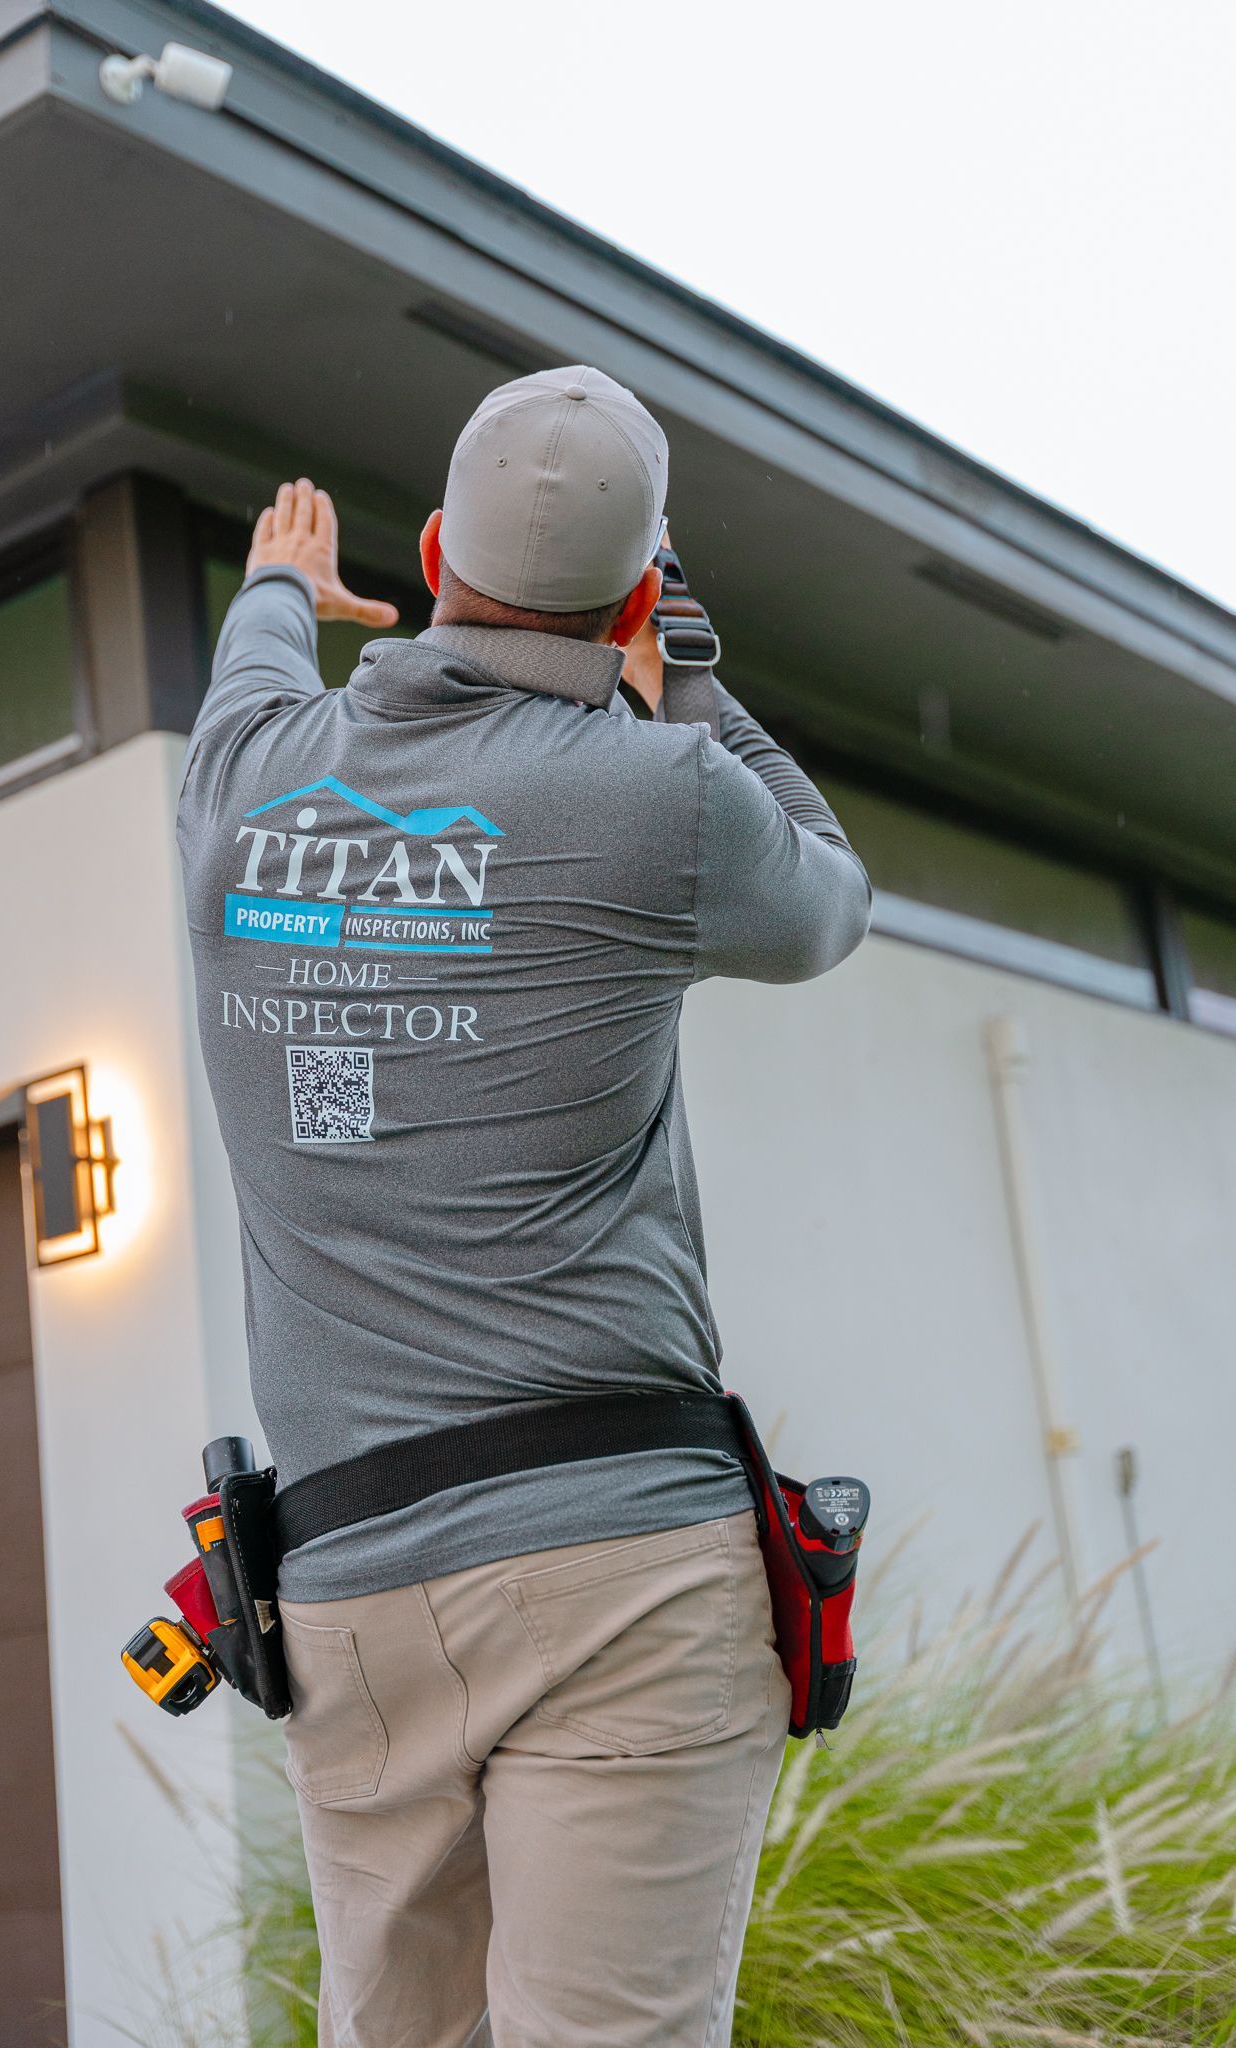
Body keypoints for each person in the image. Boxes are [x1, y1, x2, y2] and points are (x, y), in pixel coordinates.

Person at [177, 365, 870, 2048]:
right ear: (638, 593)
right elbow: (827, 897)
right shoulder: (662, 798)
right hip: (623, 1565)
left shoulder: (239, 782)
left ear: (429, 548)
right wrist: (685, 681)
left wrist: (282, 577)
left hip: (347, 1576)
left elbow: (257, 655)